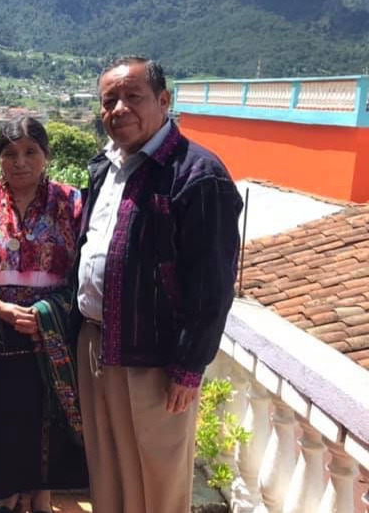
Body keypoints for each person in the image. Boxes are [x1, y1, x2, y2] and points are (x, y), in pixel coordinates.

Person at [71, 56, 243, 513]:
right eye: (109, 100)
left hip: (155, 357)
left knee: (157, 480)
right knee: (107, 469)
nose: (119, 109)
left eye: (133, 97)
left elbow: (212, 283)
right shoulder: (105, 167)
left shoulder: (197, 174)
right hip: (96, 344)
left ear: (163, 100)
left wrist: (189, 366)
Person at [0, 117, 88, 512]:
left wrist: (47, 311)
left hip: (51, 326)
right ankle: (7, 493)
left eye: (31, 151)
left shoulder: (71, 203)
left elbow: (85, 266)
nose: (20, 161)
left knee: (45, 414)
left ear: (47, 155)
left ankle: (42, 496)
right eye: (10, 153)